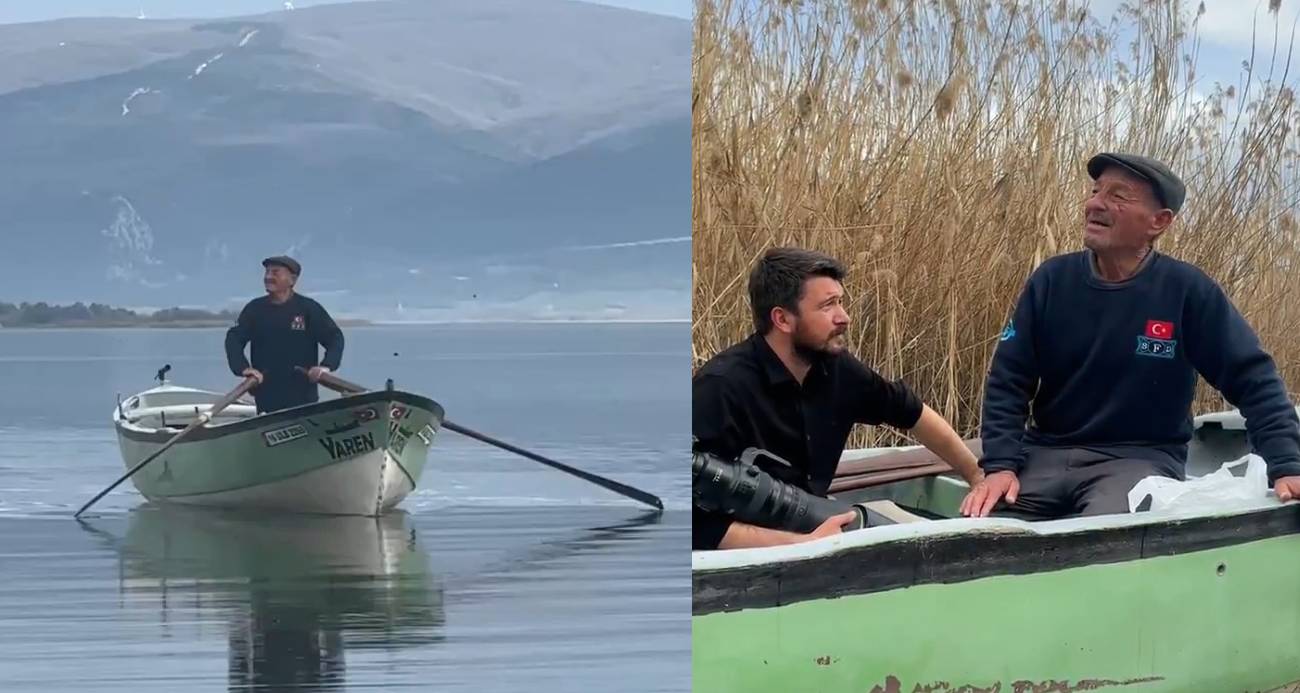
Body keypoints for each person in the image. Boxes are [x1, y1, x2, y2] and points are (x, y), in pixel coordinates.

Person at [964, 152, 1300, 520]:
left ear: (1159, 221)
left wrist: (1286, 463)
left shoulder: (1186, 291)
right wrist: (1000, 466)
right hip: (1046, 456)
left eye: (1118, 196)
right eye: (1095, 191)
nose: (1095, 203)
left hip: (1139, 461)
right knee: (977, 531)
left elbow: (1252, 378)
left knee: (1103, 537)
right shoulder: (1051, 281)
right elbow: (1008, 380)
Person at [693, 247, 986, 551]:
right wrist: (802, 545)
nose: (844, 317)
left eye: (841, 302)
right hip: (739, 561)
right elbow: (690, 525)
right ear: (782, 319)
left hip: (815, 529)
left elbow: (911, 412)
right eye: (828, 305)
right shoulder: (719, 388)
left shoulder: (836, 368)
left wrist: (976, 477)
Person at [224, 255, 345, 414]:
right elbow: (233, 339)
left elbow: (335, 337)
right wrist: (243, 368)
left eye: (275, 273)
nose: (268, 277)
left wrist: (326, 366)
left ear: (292, 279)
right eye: (267, 272)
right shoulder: (255, 309)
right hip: (266, 394)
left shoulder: (308, 308)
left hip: (303, 394)